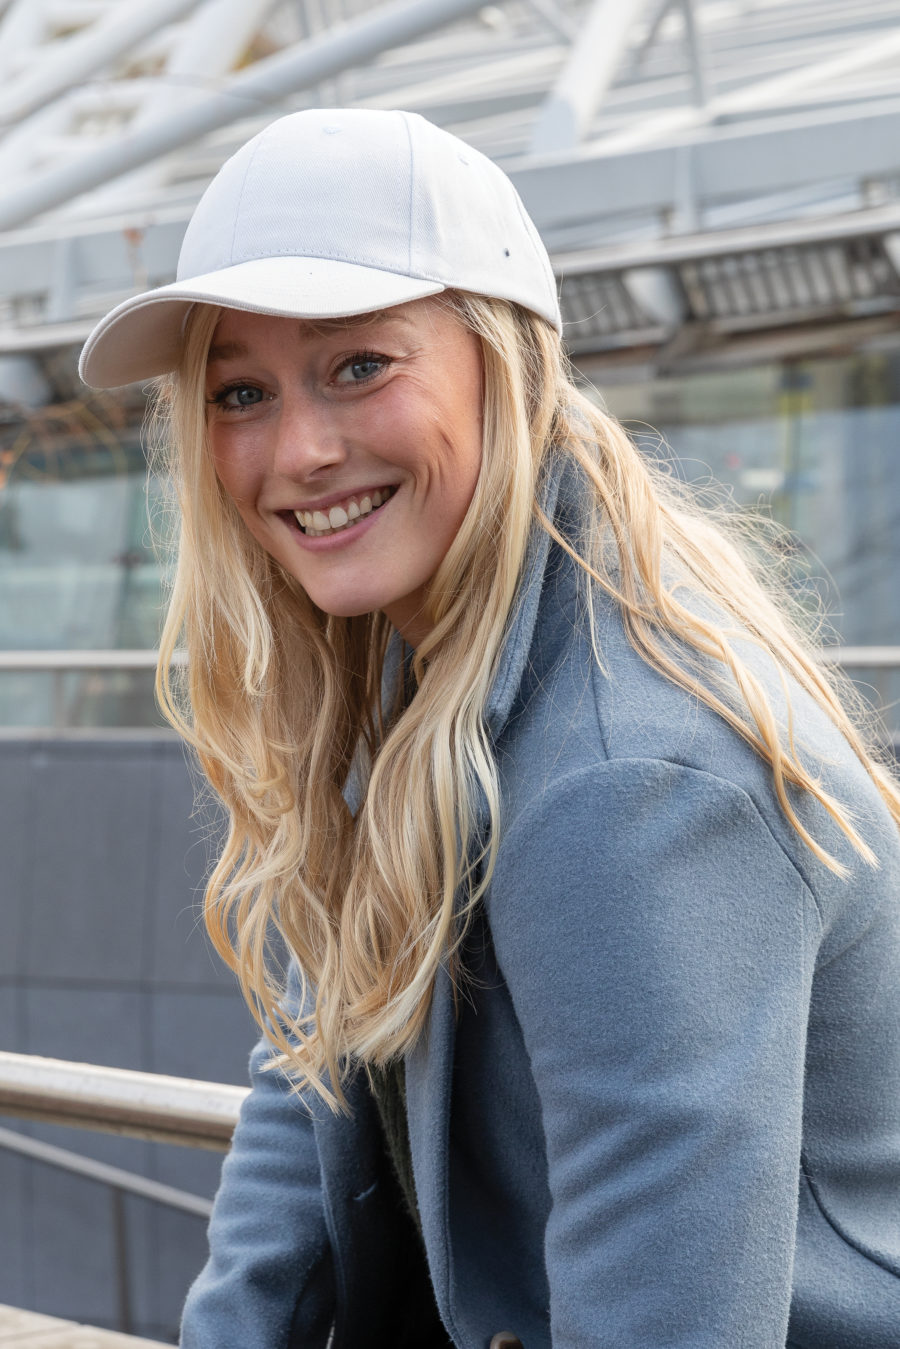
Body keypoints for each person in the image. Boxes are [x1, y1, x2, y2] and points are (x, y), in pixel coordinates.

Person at [80, 108, 900, 1348]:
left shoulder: (634, 780)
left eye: (360, 365)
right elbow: (312, 1080)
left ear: (504, 362)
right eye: (240, 391)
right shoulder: (417, 668)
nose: (298, 449)